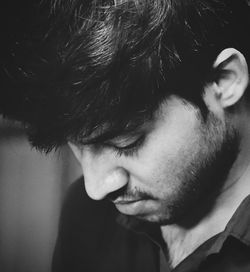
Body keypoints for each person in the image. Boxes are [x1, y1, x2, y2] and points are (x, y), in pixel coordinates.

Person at [7, 0, 250, 271]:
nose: (95, 188)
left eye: (126, 143)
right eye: (74, 145)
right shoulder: (86, 217)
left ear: (224, 81)